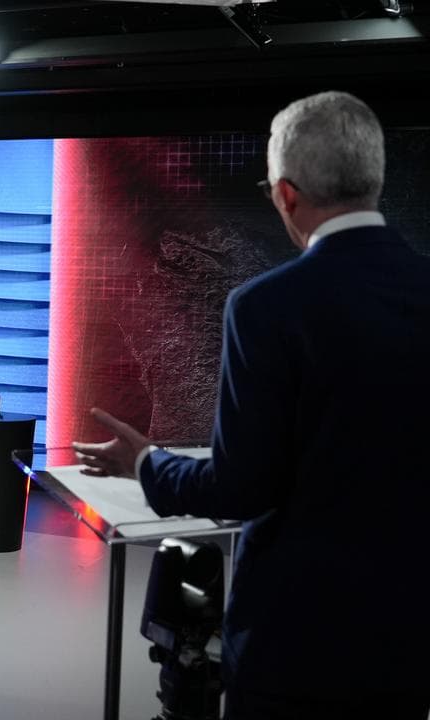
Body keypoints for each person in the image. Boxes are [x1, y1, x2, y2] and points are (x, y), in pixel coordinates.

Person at [72, 92, 430, 718]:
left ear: (286, 195)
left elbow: (242, 485)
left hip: (296, 648)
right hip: (411, 646)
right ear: (373, 179)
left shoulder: (268, 307)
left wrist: (149, 464)